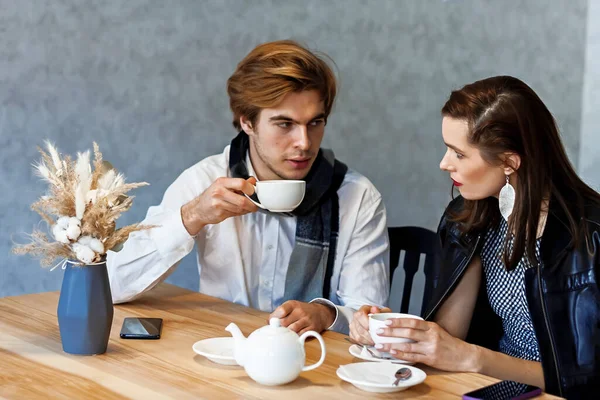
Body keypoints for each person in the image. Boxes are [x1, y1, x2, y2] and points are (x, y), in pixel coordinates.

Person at [107, 40, 389, 335]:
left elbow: (370, 321)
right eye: (284, 124)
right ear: (247, 122)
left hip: (316, 364)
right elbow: (112, 286)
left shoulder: (357, 197)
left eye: (315, 122)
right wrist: (191, 216)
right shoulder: (207, 181)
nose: (304, 143)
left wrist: (324, 314)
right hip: (223, 351)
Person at [350, 76, 599, 398]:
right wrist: (392, 331)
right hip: (479, 386)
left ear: (509, 162)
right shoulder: (469, 216)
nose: (443, 163)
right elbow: (448, 339)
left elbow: (586, 379)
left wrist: (475, 358)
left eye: (459, 154)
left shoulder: (590, 237)